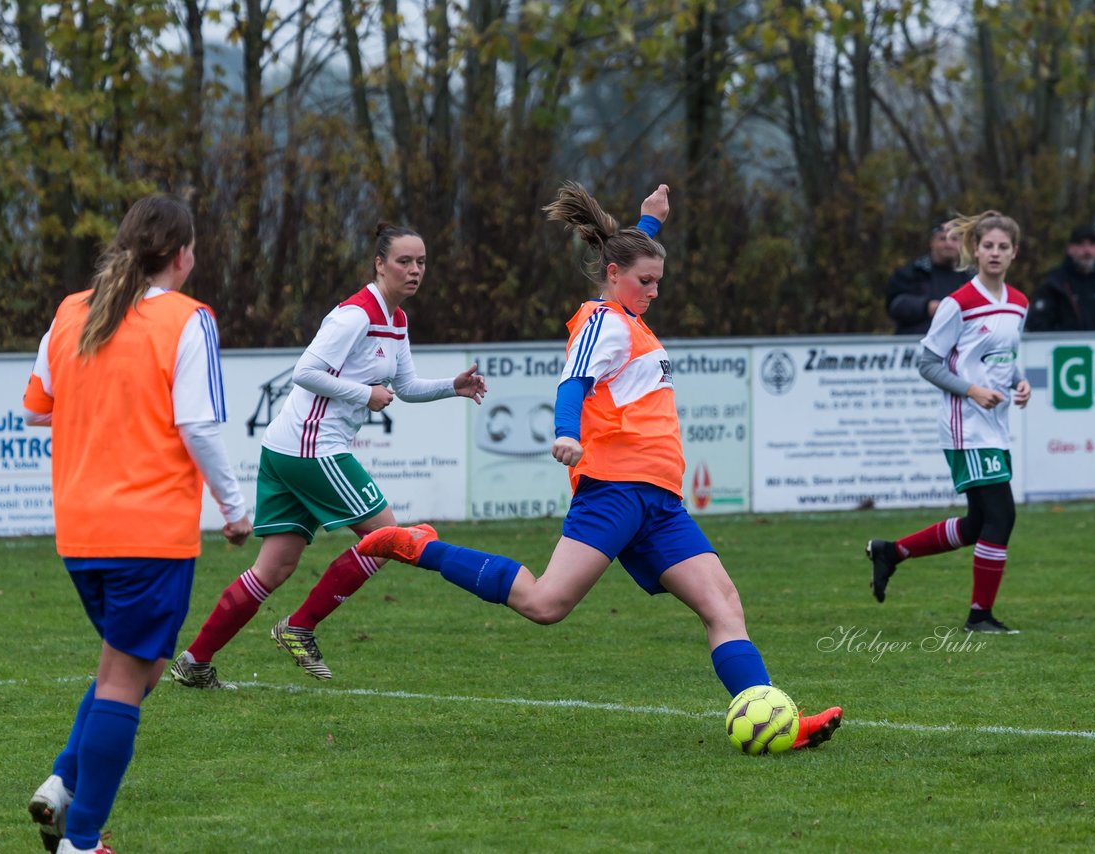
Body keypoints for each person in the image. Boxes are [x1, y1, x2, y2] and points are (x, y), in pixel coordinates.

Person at [357, 182, 843, 749]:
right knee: (545, 604)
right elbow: (573, 382)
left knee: (723, 604)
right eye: (646, 282)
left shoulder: (629, 315)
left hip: (659, 500)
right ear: (613, 276)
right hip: (613, 490)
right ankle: (417, 546)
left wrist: (649, 223)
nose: (654, 292)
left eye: (659, 282)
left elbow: (629, 256)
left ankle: (774, 720)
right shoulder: (603, 321)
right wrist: (566, 434)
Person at [22, 195, 252, 854]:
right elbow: (199, 425)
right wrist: (234, 509)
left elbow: (39, 409)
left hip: (80, 531)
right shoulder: (188, 319)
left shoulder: (73, 311)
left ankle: (63, 783)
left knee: (134, 667)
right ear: (181, 255)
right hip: (148, 532)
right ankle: (82, 838)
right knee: (129, 678)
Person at [169, 223, 487, 689]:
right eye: (404, 261)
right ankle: (298, 627)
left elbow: (405, 388)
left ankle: (194, 662)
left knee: (273, 568)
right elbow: (305, 372)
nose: (415, 270)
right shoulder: (355, 315)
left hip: (287, 448)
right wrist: (364, 393)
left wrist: (451, 388)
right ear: (379, 264)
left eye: (421, 262)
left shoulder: (396, 320)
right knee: (388, 538)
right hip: (310, 449)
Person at [865, 210, 1031, 634]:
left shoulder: (1018, 302)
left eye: (1003, 247)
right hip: (966, 424)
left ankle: (892, 552)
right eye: (988, 245)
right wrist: (971, 390)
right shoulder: (959, 303)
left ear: (1014, 253)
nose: (995, 253)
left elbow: (1003, 358)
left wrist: (1020, 381)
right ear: (975, 250)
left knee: (979, 523)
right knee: (1001, 516)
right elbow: (928, 363)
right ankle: (979, 616)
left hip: (995, 424)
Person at [885, 219, 968, 335]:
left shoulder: (970, 278)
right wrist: (926, 307)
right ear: (932, 242)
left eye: (954, 239)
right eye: (943, 238)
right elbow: (895, 306)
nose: (948, 244)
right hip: (915, 344)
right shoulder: (912, 272)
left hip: (958, 345)